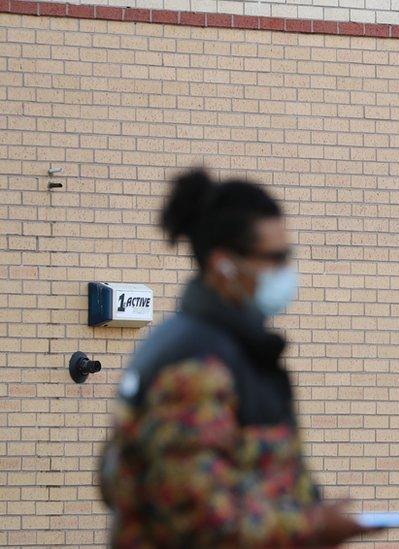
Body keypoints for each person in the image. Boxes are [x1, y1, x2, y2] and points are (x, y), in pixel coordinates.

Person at [99, 169, 373, 547]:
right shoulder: (195, 366)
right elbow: (197, 513)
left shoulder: (231, 350)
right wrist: (312, 526)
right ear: (223, 263)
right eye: (274, 258)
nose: (286, 271)